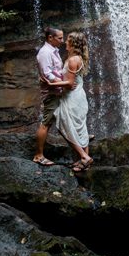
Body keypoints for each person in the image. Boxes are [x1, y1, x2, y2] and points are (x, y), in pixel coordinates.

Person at [47, 31, 94, 172]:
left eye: (67, 40)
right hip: (77, 95)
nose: (65, 42)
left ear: (73, 43)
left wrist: (50, 84)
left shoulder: (73, 60)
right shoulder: (75, 58)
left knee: (64, 123)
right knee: (79, 127)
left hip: (72, 97)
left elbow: (69, 84)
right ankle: (84, 160)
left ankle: (84, 157)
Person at [33, 26, 73, 166]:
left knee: (64, 118)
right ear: (50, 37)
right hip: (51, 93)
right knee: (46, 123)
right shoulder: (45, 53)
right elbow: (48, 75)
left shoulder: (53, 51)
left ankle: (81, 139)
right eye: (60, 38)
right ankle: (38, 155)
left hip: (57, 91)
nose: (62, 41)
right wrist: (65, 83)